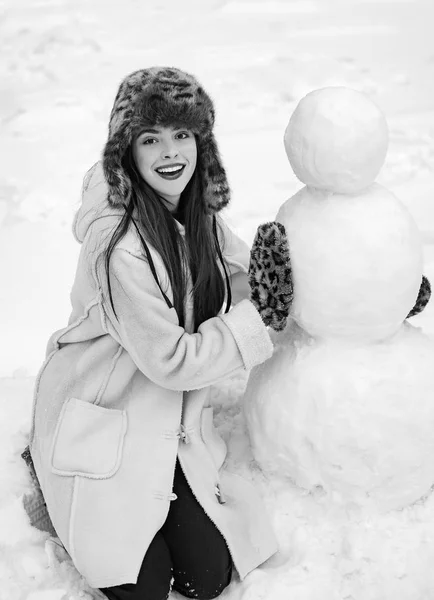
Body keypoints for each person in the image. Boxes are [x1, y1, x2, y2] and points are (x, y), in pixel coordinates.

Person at [27, 67, 291, 600]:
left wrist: (358, 285)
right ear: (127, 151)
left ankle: (164, 483)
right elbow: (173, 360)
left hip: (167, 415)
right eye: (151, 138)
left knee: (206, 577)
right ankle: (53, 476)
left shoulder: (194, 212)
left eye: (182, 135)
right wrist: (256, 317)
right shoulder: (116, 244)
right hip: (106, 404)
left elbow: (241, 272)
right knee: (141, 587)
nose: (170, 153)